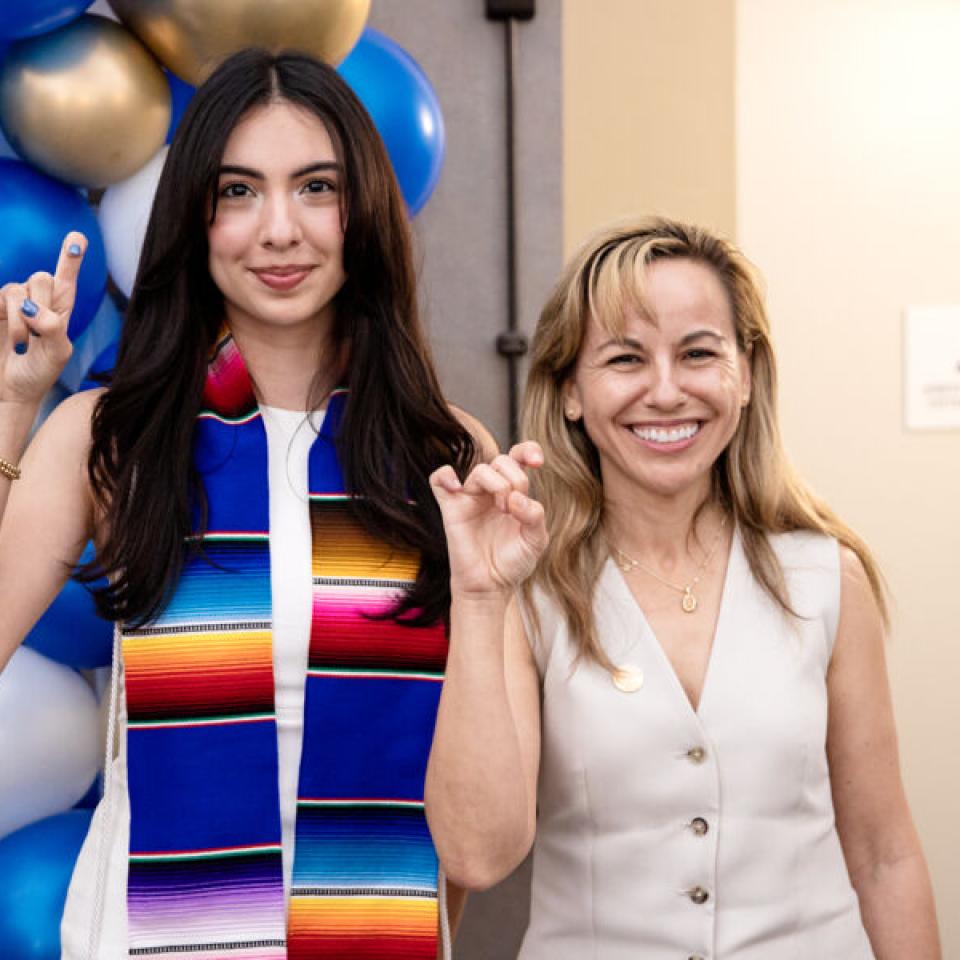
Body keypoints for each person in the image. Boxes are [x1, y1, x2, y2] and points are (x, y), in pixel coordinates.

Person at [0, 48, 485, 960]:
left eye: (316, 188)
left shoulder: (443, 455)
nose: (279, 230)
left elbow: (480, 807)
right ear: (196, 213)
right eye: (238, 191)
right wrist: (9, 411)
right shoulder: (113, 436)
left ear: (363, 211)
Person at [425, 217, 941, 958]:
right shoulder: (522, 589)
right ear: (570, 391)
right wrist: (478, 599)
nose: (666, 392)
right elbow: (477, 857)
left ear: (746, 375)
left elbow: (885, 856)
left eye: (698, 353)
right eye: (625, 359)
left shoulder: (829, 578)